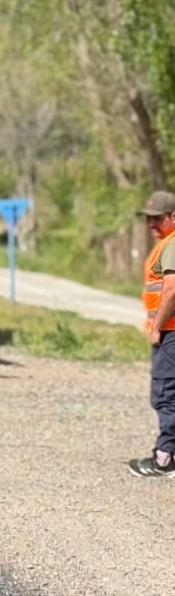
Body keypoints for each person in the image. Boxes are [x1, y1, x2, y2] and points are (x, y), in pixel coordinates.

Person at [129, 190, 175, 478]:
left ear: (173, 217)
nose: (151, 224)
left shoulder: (172, 245)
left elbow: (171, 290)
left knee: (166, 394)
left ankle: (164, 459)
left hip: (171, 332)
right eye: (148, 218)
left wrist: (156, 326)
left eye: (157, 218)